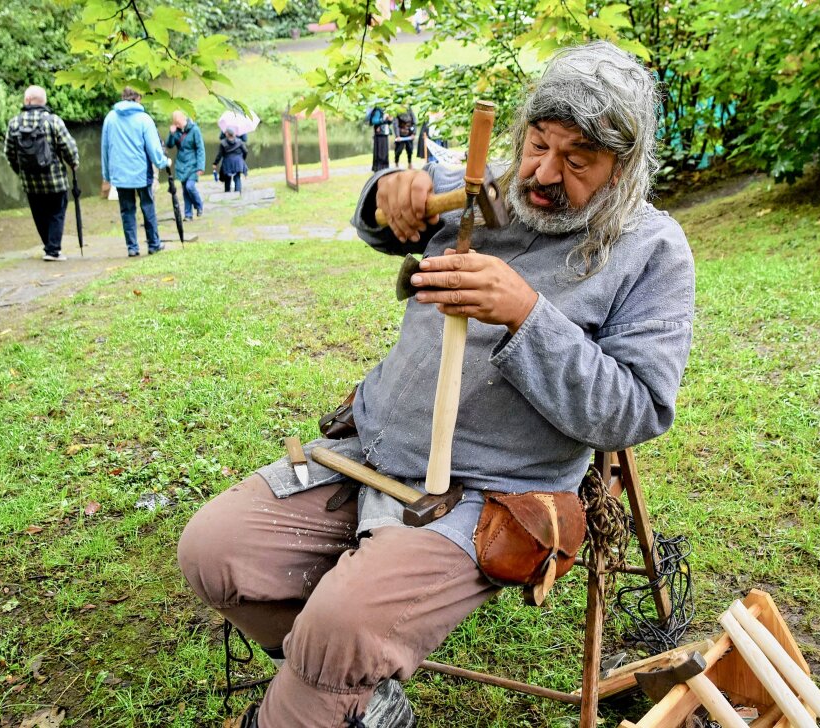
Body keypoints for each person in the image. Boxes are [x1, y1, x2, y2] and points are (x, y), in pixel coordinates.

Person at [180, 41, 694, 728]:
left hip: (489, 492)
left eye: (578, 161)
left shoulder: (649, 250)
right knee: (214, 551)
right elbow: (388, 216)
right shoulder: (487, 190)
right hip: (369, 451)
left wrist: (525, 315)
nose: (543, 173)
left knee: (341, 628)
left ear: (623, 170)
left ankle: (327, 687)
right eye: (538, 143)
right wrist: (388, 194)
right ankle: (360, 692)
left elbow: (637, 409)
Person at [3, 86, 80, 262]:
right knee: (56, 213)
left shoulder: (14, 123)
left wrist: (20, 171)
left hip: (30, 182)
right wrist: (73, 162)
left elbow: (9, 152)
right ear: (43, 101)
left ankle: (49, 246)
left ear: (27, 100)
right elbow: (67, 146)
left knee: (40, 215)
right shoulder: (53, 121)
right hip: (55, 180)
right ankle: (53, 251)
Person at [101, 87, 171, 257]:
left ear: (122, 97)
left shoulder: (110, 118)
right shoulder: (144, 119)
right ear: (138, 98)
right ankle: (154, 244)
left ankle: (132, 247)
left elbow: (105, 149)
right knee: (147, 207)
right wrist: (163, 162)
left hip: (120, 174)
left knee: (127, 210)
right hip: (142, 173)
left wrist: (107, 175)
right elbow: (154, 149)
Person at [165, 110, 206, 220]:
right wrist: (171, 133)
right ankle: (188, 215)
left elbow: (200, 149)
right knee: (185, 191)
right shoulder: (176, 131)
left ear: (184, 119)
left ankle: (199, 205)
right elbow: (169, 145)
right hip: (181, 164)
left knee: (190, 186)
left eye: (178, 123)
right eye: (175, 123)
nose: (177, 125)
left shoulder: (195, 130)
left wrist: (200, 166)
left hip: (193, 164)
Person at [213, 129, 249, 193]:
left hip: (227, 162)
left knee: (227, 178)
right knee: (237, 177)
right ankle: (238, 193)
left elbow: (220, 155)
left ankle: (227, 192)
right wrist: (242, 159)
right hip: (238, 162)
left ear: (226, 134)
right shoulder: (239, 141)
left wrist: (215, 163)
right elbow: (245, 151)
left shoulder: (223, 143)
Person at [368, 105, 390, 173]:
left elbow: (388, 122)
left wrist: (389, 119)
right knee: (380, 152)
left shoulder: (387, 109)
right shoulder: (377, 109)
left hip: (385, 133)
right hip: (379, 134)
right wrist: (383, 118)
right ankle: (378, 168)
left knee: (385, 152)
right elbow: (374, 121)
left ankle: (385, 167)